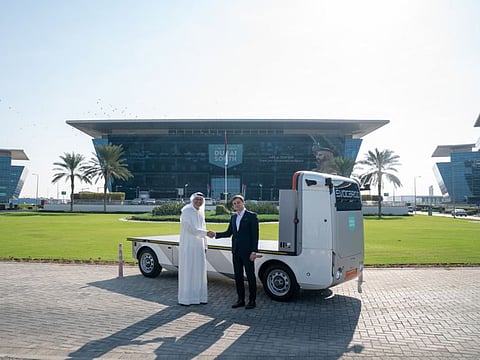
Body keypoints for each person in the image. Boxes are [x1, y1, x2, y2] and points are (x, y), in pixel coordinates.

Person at [209, 194, 259, 309]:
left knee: (250, 276)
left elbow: (255, 236)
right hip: (236, 251)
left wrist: (254, 251)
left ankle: (252, 301)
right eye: (234, 203)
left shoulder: (251, 216)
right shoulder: (233, 217)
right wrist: (215, 234)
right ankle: (240, 300)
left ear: (243, 203)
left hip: (248, 252)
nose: (236, 205)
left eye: (238, 202)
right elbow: (228, 233)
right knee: (238, 276)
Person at [178, 192, 210, 306]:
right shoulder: (186, 211)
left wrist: (205, 245)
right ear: (192, 200)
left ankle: (199, 297)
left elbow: (203, 227)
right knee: (189, 270)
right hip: (188, 246)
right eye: (196, 200)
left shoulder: (201, 212)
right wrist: (206, 233)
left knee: (199, 271)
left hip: (199, 246)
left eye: (200, 200)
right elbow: (189, 228)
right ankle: (186, 299)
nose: (198, 202)